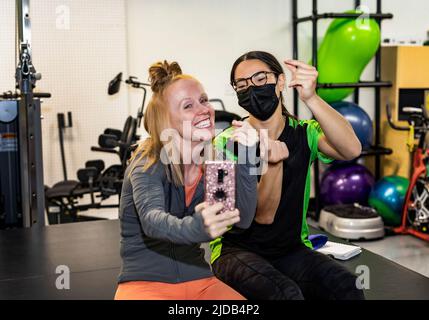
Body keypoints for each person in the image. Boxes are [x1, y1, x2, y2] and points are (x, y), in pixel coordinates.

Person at [211, 51, 366, 300]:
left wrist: (311, 98)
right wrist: (273, 163)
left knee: (347, 286)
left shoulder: (305, 133)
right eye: (242, 84)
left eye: (261, 79)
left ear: (280, 82)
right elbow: (260, 217)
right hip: (235, 251)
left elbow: (352, 149)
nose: (252, 88)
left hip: (291, 249)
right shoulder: (224, 143)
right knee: (286, 295)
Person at [114, 60, 258, 300]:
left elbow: (242, 219)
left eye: (203, 100)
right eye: (188, 106)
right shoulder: (148, 162)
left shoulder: (214, 160)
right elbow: (152, 220)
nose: (203, 109)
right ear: (166, 121)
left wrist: (246, 159)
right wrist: (196, 227)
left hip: (201, 281)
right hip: (144, 284)